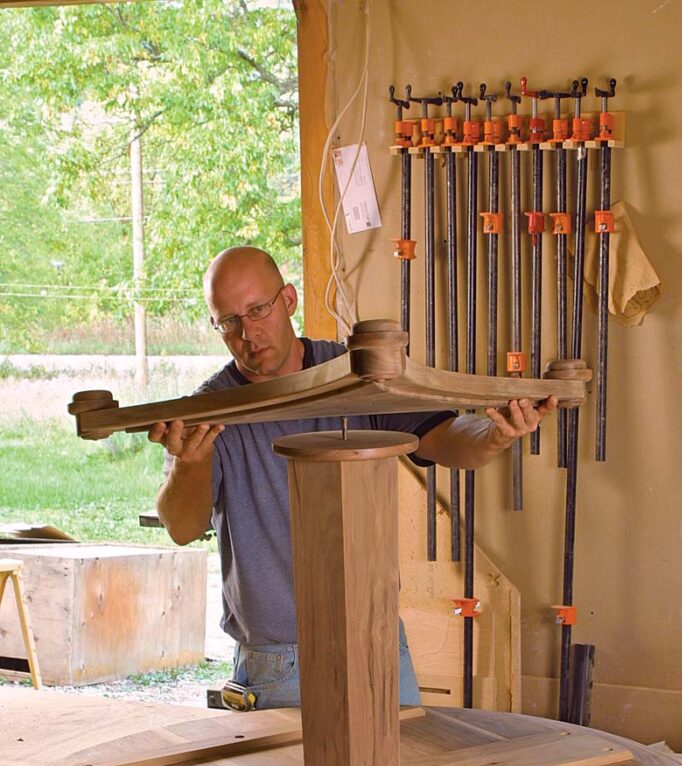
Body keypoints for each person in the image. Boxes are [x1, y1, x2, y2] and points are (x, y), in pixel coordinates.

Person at [150, 246, 556, 709]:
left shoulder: (353, 376)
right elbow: (181, 527)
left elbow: (445, 438)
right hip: (279, 662)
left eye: (258, 310)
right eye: (229, 322)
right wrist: (191, 463)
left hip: (377, 640)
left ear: (288, 300)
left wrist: (495, 433)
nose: (248, 333)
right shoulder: (211, 410)